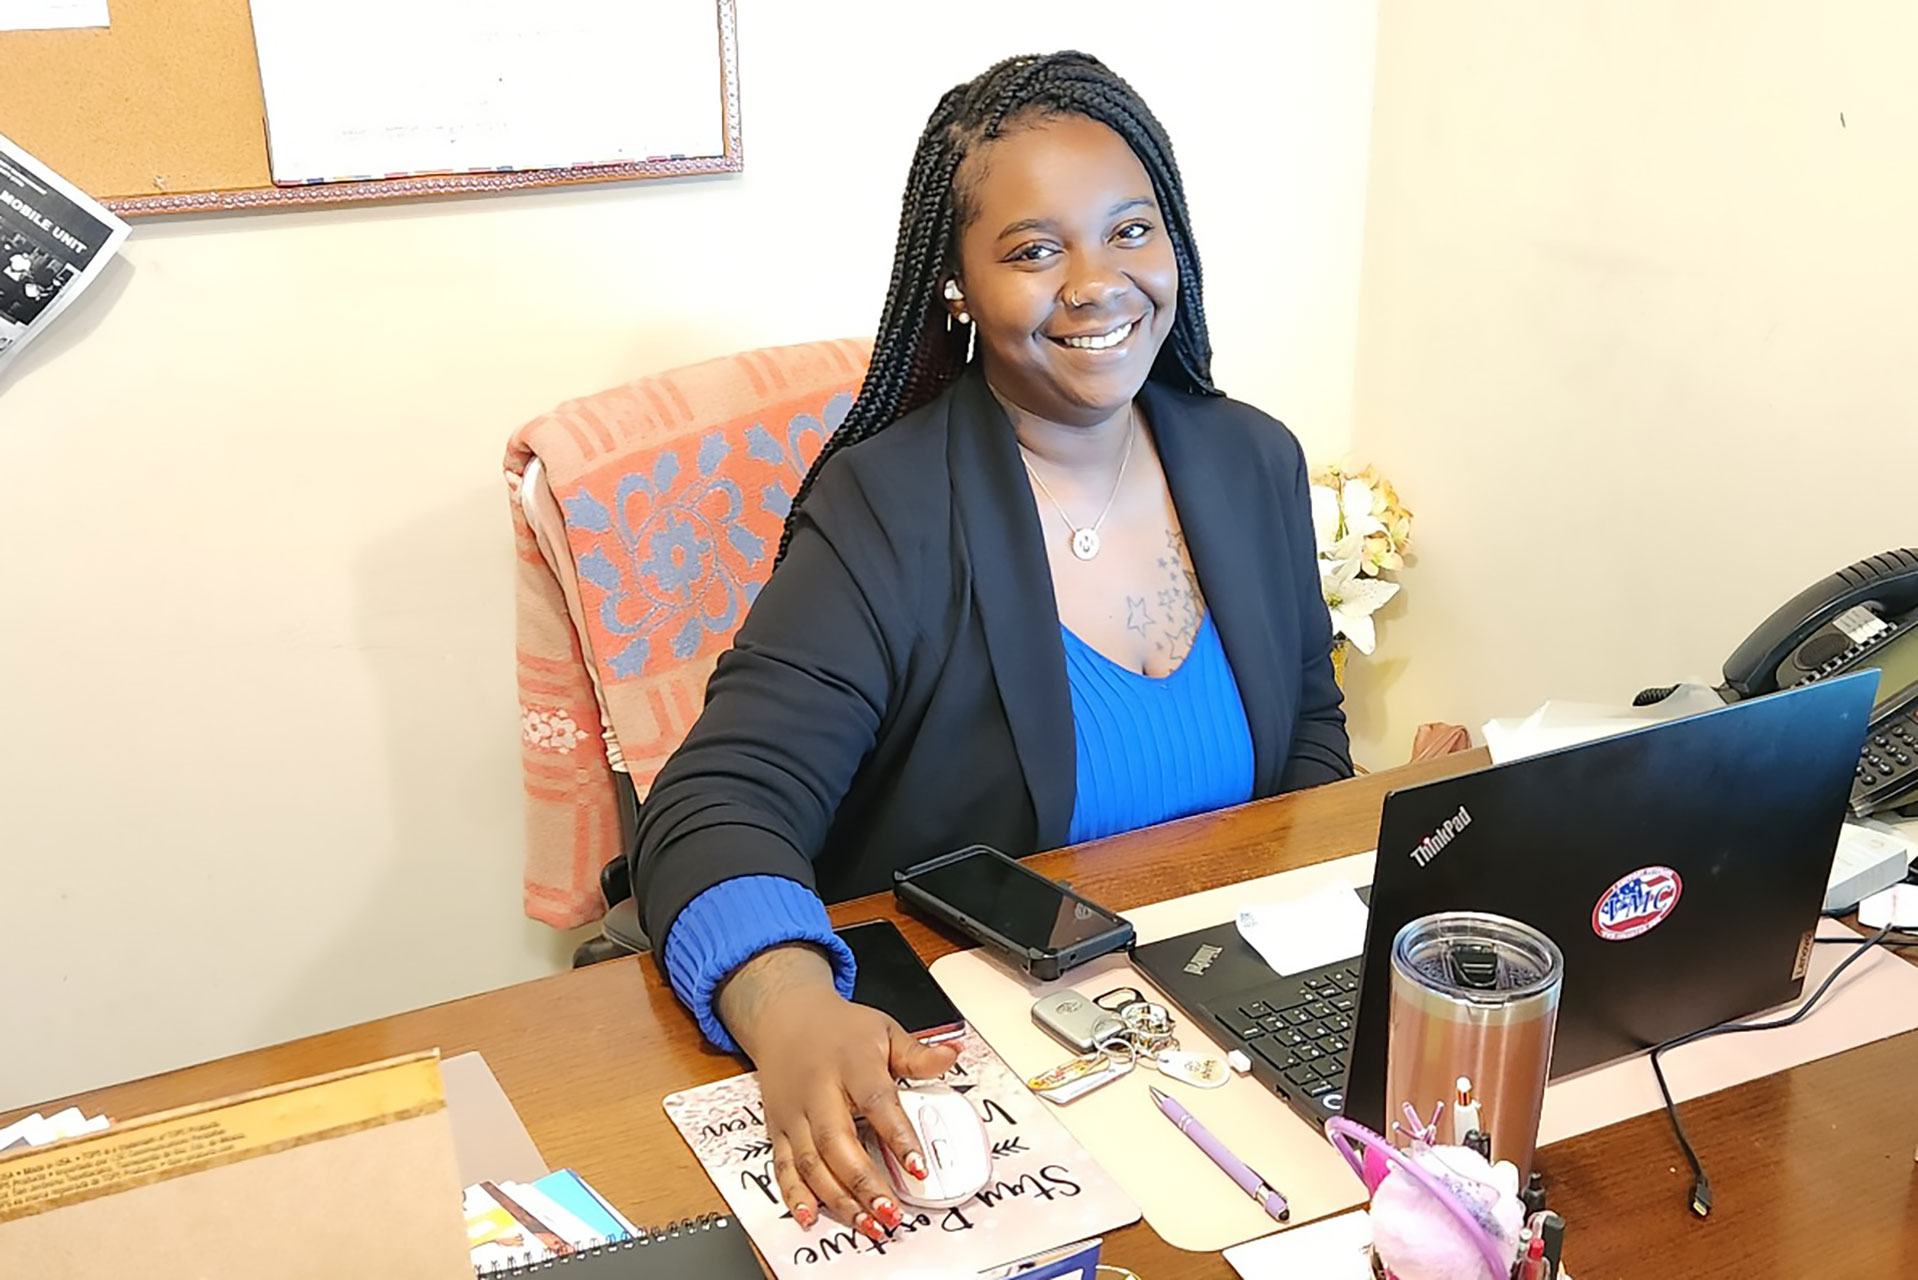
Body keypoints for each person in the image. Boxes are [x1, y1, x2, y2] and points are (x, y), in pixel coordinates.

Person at [633, 51, 1351, 1240]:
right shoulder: (889, 508)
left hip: (1218, 1046)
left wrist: (1327, 926)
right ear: (955, 288)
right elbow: (719, 796)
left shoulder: (1249, 459)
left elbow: (1307, 736)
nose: (1097, 283)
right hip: (977, 1058)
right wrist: (790, 1004)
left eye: (1131, 230)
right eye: (1031, 250)